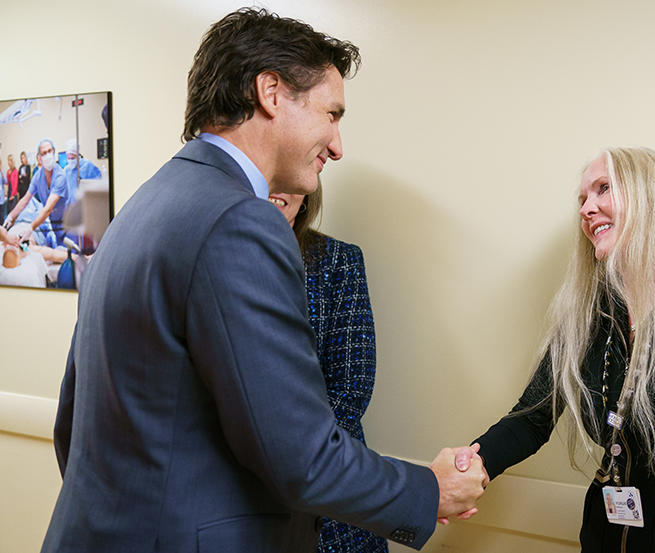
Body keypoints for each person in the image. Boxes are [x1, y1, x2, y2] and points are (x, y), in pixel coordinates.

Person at [40, 9, 486, 553]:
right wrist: (429, 490)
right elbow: (301, 456)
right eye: (331, 113)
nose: (338, 145)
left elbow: (72, 424)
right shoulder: (238, 220)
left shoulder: (142, 208)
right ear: (271, 92)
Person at [453, 147, 655, 552]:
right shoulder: (587, 315)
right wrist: (472, 464)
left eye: (604, 189)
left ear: (651, 198)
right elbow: (532, 418)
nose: (588, 209)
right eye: (582, 199)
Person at [270, 186, 389, 553]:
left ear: (307, 194)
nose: (277, 192)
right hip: (237, 495)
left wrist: (287, 460)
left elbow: (352, 389)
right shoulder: (214, 256)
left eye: (290, 184)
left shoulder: (337, 261)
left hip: (331, 490)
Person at [3, 138, 69, 243]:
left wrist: (31, 227)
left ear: (54, 151)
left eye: (49, 151)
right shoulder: (38, 176)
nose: (48, 155)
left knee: (71, 252)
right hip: (53, 223)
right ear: (39, 157)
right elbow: (25, 199)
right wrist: (10, 217)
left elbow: (47, 208)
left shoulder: (60, 176)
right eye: (44, 153)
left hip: (68, 223)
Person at [63, 137, 102, 203]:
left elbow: (99, 185)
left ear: (78, 155)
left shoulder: (87, 166)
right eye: (68, 158)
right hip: (73, 206)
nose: (70, 161)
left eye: (72, 158)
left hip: (88, 204)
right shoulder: (67, 170)